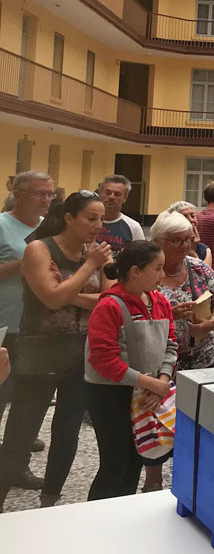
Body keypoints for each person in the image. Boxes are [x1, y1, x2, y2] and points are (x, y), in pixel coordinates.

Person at [0, 191, 110, 510]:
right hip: (40, 353)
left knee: (69, 428)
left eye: (101, 219)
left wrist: (67, 291)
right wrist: (88, 268)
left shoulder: (95, 253)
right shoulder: (39, 249)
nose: (97, 226)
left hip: (81, 352)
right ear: (69, 218)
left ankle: (50, 500)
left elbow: (108, 300)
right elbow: (49, 300)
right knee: (22, 432)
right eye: (91, 218)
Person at [83, 240, 176, 501]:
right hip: (110, 395)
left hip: (147, 392)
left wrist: (163, 380)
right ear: (135, 271)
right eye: (157, 268)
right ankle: (96, 520)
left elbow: (171, 344)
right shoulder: (110, 306)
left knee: (136, 459)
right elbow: (102, 360)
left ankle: (122, 515)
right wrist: (149, 382)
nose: (162, 275)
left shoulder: (159, 301)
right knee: (115, 462)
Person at [0, 171, 55, 423]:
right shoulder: (2, 225)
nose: (46, 199)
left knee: (28, 396)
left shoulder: (49, 228)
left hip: (38, 325)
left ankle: (15, 449)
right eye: (40, 194)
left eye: (50, 194)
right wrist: (21, 265)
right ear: (18, 194)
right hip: (5, 323)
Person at [150, 211, 214, 372]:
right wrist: (168, 315)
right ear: (158, 242)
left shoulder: (198, 267)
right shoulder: (146, 272)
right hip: (160, 362)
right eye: (176, 240)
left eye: (187, 239)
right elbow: (133, 316)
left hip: (202, 360)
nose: (185, 245)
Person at [96, 174, 145, 255]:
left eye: (117, 194)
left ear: (125, 198)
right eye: (107, 192)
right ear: (100, 194)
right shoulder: (86, 222)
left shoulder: (134, 227)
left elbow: (141, 257)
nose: (111, 197)